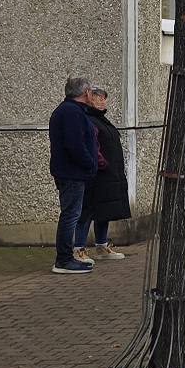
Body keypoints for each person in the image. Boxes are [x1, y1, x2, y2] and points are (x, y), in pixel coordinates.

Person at [48, 76, 99, 274]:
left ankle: (65, 258)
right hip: (72, 173)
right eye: (91, 92)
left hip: (70, 171)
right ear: (86, 93)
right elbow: (75, 144)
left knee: (71, 213)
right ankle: (64, 259)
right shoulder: (72, 112)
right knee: (70, 214)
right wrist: (90, 164)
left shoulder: (69, 110)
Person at [76, 85, 131, 260]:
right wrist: (102, 164)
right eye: (97, 98)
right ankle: (79, 248)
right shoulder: (89, 120)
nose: (101, 101)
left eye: (104, 98)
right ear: (89, 99)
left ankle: (101, 245)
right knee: (87, 211)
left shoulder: (102, 120)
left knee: (104, 210)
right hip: (96, 174)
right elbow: (91, 145)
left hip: (108, 174)